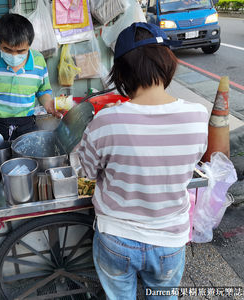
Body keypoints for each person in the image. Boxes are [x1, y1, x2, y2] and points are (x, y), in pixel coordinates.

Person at [76, 22, 208, 299]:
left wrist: (93, 192)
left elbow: (85, 176)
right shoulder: (197, 116)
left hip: (116, 237)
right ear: (167, 63)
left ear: (121, 73)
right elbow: (191, 163)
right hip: (169, 240)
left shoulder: (105, 121)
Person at [0, 13, 62, 144]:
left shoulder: (38, 60)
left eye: (21, 51)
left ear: (29, 45)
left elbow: (43, 92)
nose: (14, 55)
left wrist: (50, 106)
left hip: (27, 126)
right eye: (7, 49)